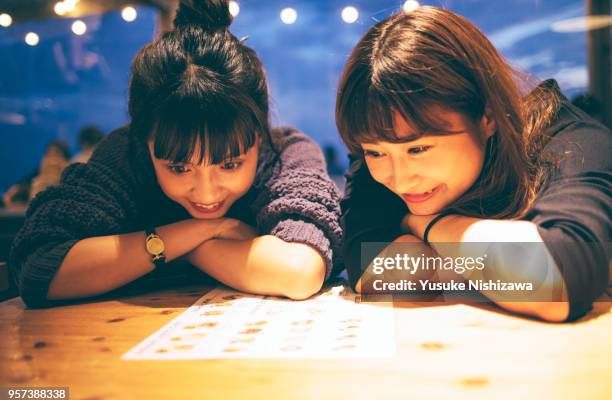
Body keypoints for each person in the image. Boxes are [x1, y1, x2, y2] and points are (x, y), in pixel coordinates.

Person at [9, 0, 342, 308]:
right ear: (145, 143)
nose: (207, 193)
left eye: (229, 164)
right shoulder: (126, 157)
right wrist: (198, 233)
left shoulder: (285, 154)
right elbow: (39, 268)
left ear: (259, 134)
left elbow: (300, 271)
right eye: (179, 168)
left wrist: (175, 249)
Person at [335, 6, 611, 322]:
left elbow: (557, 280)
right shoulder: (385, 137)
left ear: (487, 117)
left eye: (419, 149)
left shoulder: (568, 140)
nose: (400, 180)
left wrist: (426, 226)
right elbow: (367, 264)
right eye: (374, 153)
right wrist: (501, 271)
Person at [2, 140, 71, 208]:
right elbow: (7, 200)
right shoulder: (27, 185)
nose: (52, 161)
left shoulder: (71, 187)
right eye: (48, 155)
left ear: (67, 162)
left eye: (57, 156)